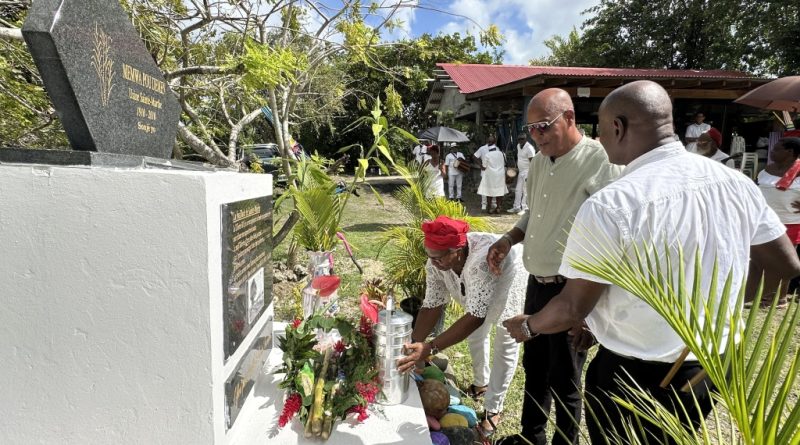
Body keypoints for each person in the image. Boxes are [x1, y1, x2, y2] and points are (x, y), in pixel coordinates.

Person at [498, 81, 800, 444]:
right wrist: (719, 303)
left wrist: (530, 326)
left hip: (633, 369)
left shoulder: (615, 201)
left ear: (618, 127)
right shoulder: (735, 182)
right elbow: (785, 266)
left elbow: (573, 305)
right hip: (710, 363)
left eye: (604, 129)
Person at [487, 89, 622, 445]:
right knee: (535, 371)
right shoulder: (540, 163)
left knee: (566, 378)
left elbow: (612, 235)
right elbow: (532, 214)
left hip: (574, 288)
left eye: (544, 127)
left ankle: (566, 441)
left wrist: (586, 312)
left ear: (569, 118)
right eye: (531, 129)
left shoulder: (600, 160)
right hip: (539, 283)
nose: (537, 136)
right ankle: (532, 438)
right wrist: (508, 239)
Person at [397, 216, 526, 437]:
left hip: (510, 277)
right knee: (476, 335)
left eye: (437, 257)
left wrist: (430, 348)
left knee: (505, 339)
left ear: (457, 250)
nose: (432, 262)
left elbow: (476, 316)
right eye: (429, 256)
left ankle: (493, 409)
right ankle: (480, 384)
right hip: (479, 292)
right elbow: (432, 305)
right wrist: (413, 345)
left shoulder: (480, 262)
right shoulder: (436, 261)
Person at [753, 137, 800, 307]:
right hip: (764, 220)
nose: (771, 152)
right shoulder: (767, 169)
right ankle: (762, 294)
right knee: (761, 260)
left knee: (783, 261)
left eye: (777, 149)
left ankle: (779, 298)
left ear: (789, 152)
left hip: (790, 222)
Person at [508, 134, 536, 214]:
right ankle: (516, 207)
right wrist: (516, 168)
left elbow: (533, 162)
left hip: (527, 171)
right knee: (518, 190)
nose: (520, 140)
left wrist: (531, 174)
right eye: (519, 139)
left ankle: (524, 208)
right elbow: (519, 158)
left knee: (525, 190)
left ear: (525, 139)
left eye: (522, 139)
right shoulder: (518, 146)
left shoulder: (529, 148)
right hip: (520, 171)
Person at [477, 142, 507, 214]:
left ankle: (490, 208)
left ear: (489, 150)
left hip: (490, 175)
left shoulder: (487, 155)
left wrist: (482, 166)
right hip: (500, 175)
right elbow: (505, 163)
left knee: (489, 192)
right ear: (495, 149)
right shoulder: (502, 154)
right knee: (499, 191)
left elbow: (484, 166)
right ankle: (498, 208)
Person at [474, 135, 499, 211]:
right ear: (487, 141)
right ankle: (484, 204)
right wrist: (480, 165)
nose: (490, 143)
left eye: (492, 142)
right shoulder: (482, 148)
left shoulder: (497, 148)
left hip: (494, 172)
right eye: (489, 141)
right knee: (484, 188)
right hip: (485, 172)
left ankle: (493, 203)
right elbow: (474, 156)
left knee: (493, 188)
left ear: (494, 142)